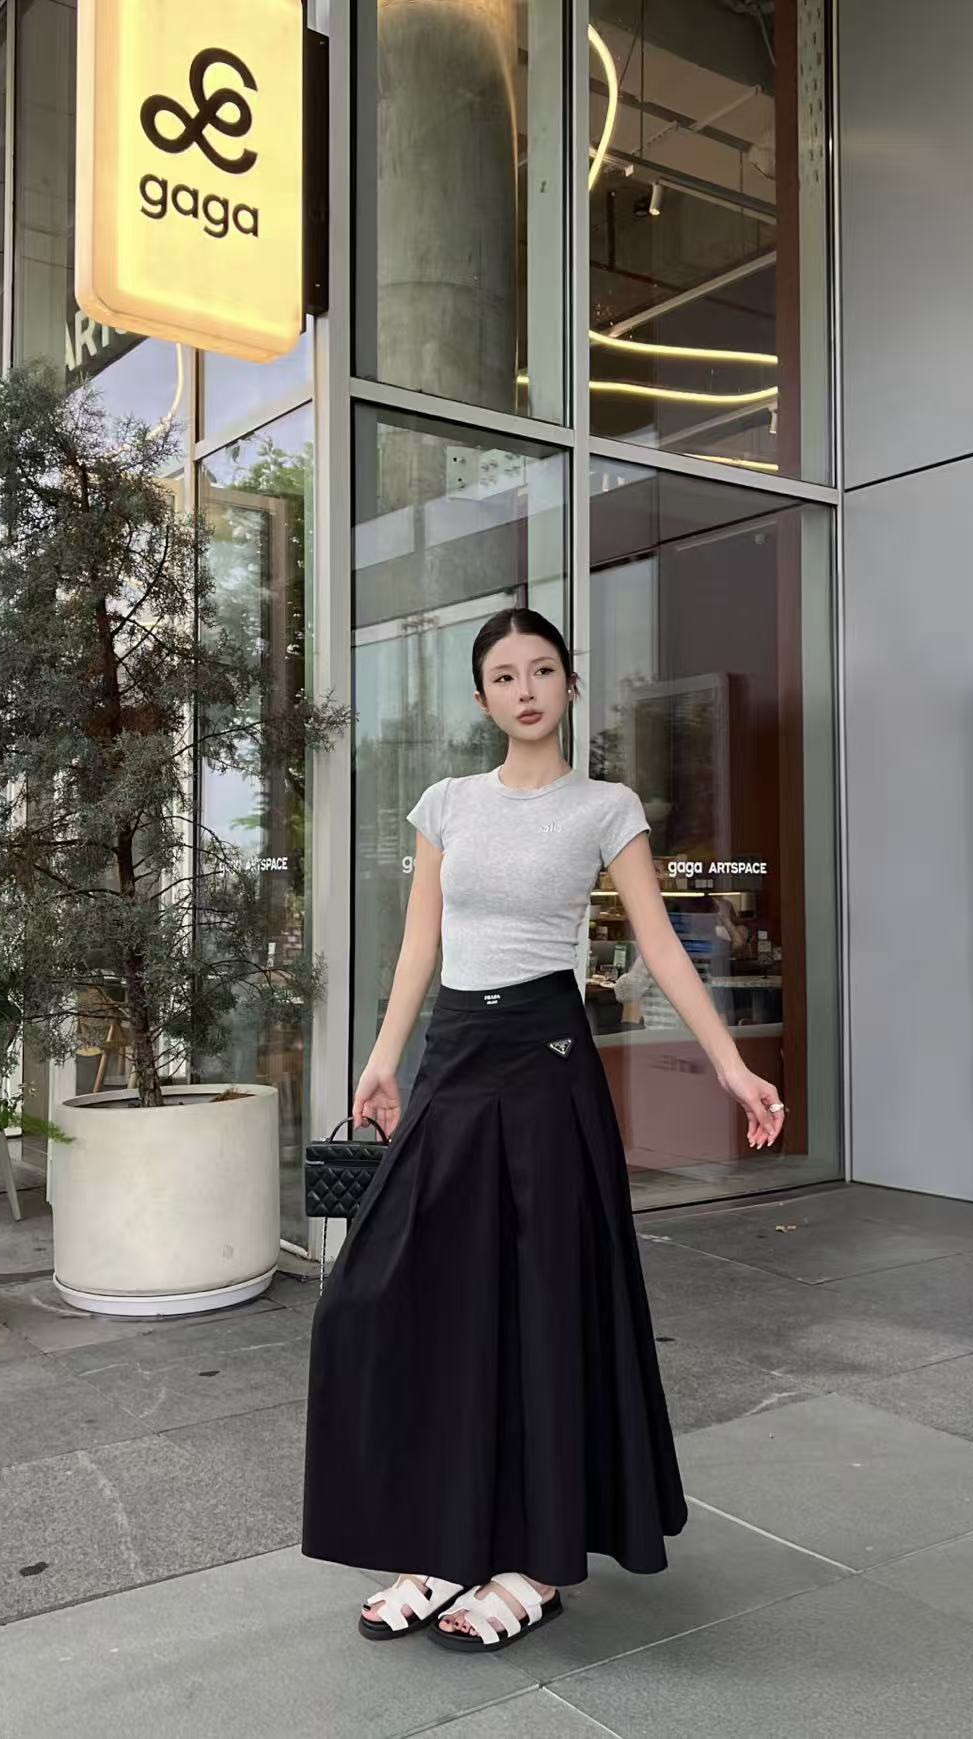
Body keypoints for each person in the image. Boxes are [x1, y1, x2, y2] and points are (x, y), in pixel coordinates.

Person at [300, 607, 786, 1654]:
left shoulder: (605, 807)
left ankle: (535, 1562)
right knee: (387, 1294)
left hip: (546, 1061)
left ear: (567, 684)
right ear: (482, 698)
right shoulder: (446, 803)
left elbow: (660, 945)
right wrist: (383, 1059)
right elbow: (420, 943)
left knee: (541, 1306)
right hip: (453, 1056)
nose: (525, 689)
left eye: (542, 670)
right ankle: (445, 1538)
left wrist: (731, 1064)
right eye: (504, 675)